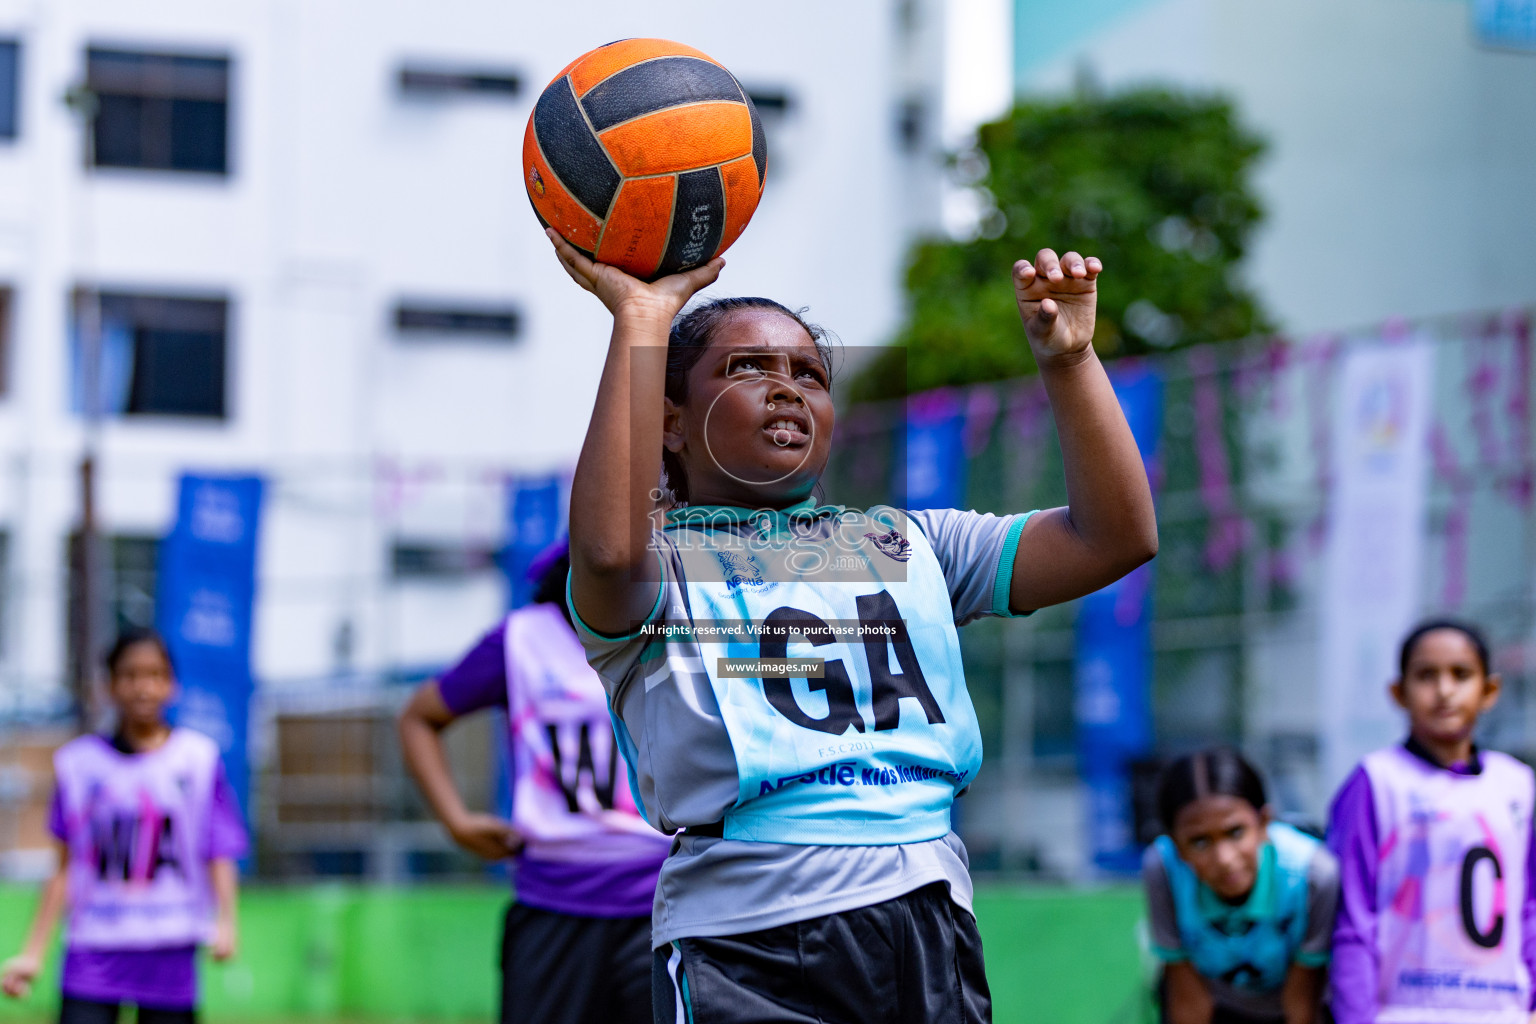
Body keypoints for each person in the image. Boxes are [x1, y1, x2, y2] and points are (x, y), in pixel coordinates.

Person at [546, 225, 1158, 1023]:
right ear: (669, 420)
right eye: (747, 369)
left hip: (927, 917)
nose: (788, 387)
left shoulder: (911, 543)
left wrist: (1070, 362)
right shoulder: (658, 570)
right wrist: (641, 315)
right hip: (747, 939)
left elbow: (1115, 537)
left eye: (810, 373)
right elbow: (602, 548)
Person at [398, 541, 669, 1024]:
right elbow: (419, 717)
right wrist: (456, 822)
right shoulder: (521, 641)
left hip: (664, 902)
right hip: (553, 903)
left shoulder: (684, 629)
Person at [0, 628, 247, 1024]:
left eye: (155, 675)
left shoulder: (197, 759)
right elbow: (64, 868)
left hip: (171, 939)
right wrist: (33, 952)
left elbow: (218, 848)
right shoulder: (78, 766)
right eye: (130, 675)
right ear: (109, 686)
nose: (142, 687)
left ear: (173, 685)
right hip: (94, 944)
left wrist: (227, 922)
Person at [1328, 619, 1536, 1024]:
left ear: (1489, 690)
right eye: (1426, 675)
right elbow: (1353, 920)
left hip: (1504, 1015)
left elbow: (1530, 907)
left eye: (1461, 674)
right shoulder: (1375, 781)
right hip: (1401, 1014)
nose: (1444, 690)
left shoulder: (1520, 786)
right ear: (1398, 692)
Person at [1144, 748, 1338, 1024]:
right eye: (1200, 842)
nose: (1224, 859)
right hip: (1218, 1007)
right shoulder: (1162, 870)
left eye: (1235, 833)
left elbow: (1302, 1001)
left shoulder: (1315, 876)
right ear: (1177, 846)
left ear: (1263, 824)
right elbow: (1186, 996)